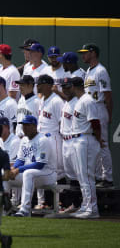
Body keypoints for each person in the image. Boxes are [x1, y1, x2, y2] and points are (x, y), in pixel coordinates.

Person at [77, 43, 113, 188]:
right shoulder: (89, 71)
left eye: (85, 52)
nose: (83, 55)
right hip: (91, 110)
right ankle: (98, 176)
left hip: (99, 108)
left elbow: (108, 96)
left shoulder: (100, 71)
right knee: (95, 145)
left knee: (103, 144)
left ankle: (108, 177)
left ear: (93, 53)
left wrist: (108, 115)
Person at [10, 115, 57, 217]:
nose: (24, 128)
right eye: (23, 125)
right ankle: (3, 207)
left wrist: (18, 170)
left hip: (48, 173)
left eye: (27, 125)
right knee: (5, 174)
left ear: (34, 126)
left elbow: (39, 165)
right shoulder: (24, 140)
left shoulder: (42, 140)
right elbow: (20, 160)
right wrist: (12, 169)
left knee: (28, 173)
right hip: (32, 174)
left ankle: (24, 210)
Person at [70, 77, 102, 219]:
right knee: (82, 176)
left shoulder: (87, 100)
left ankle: (92, 209)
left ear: (74, 86)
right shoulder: (80, 100)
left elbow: (95, 122)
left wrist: (99, 138)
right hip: (79, 139)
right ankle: (86, 205)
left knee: (87, 176)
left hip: (86, 139)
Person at [59, 78, 81, 213]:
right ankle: (75, 204)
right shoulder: (66, 103)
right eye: (63, 87)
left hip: (74, 140)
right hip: (65, 141)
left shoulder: (77, 103)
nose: (65, 89)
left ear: (73, 87)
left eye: (68, 87)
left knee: (79, 175)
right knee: (70, 175)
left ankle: (83, 204)